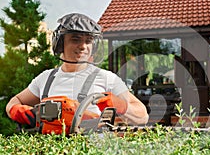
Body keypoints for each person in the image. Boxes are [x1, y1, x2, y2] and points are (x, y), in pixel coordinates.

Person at [6, 13, 149, 128]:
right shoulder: (46, 78)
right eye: (76, 39)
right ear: (60, 43)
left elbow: (143, 116)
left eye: (88, 41)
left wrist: (122, 106)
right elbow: (14, 101)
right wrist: (17, 111)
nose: (83, 46)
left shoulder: (106, 78)